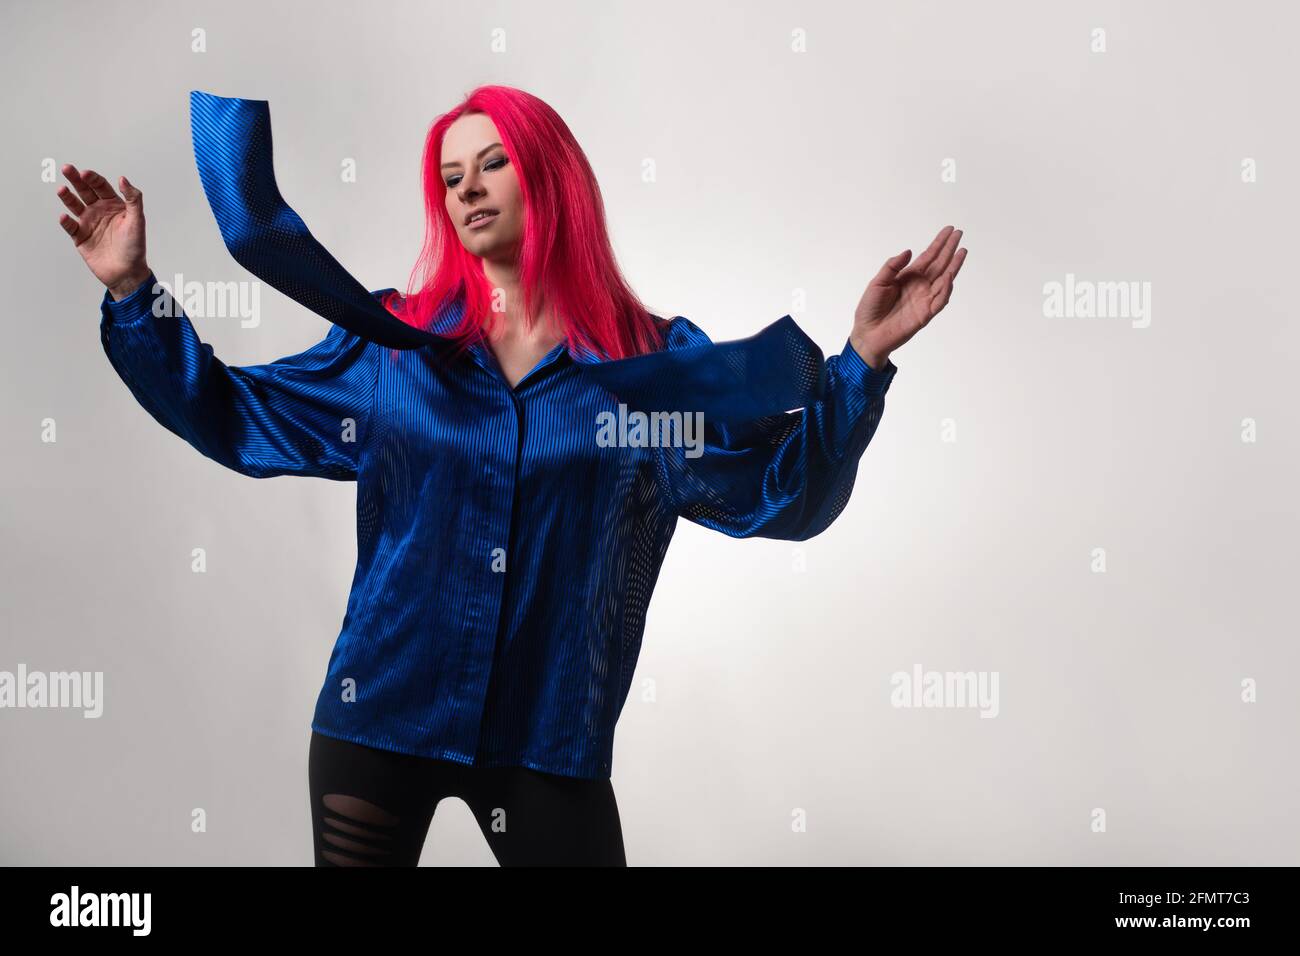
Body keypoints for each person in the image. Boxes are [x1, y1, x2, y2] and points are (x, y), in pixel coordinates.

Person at [56, 84, 967, 866]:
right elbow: (230, 414)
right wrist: (136, 294)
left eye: (492, 164)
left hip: (549, 741)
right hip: (379, 720)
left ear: (549, 178)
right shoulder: (390, 350)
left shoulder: (651, 371)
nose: (468, 190)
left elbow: (782, 496)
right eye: (451, 178)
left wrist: (862, 361)